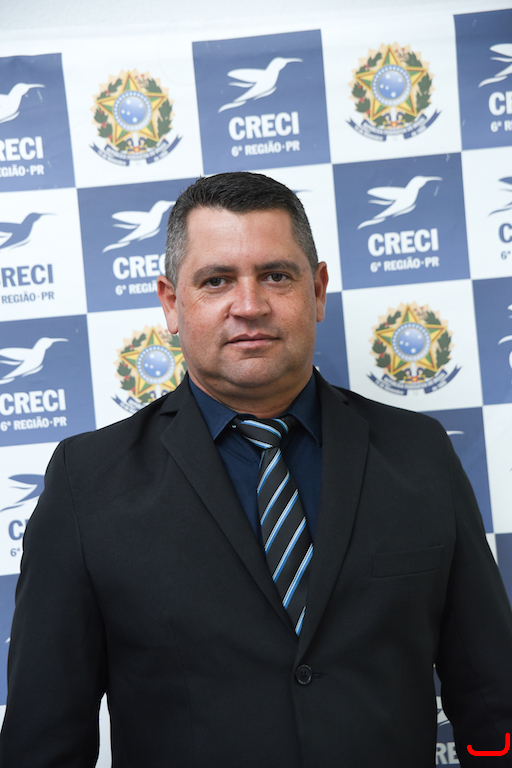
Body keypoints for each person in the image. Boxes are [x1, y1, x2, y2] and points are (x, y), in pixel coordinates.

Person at [1, 172, 511, 768]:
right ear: (171, 303)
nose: (250, 306)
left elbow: (492, 701)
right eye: (216, 281)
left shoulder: (419, 452)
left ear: (317, 291)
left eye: (276, 276)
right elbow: (43, 743)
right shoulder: (86, 482)